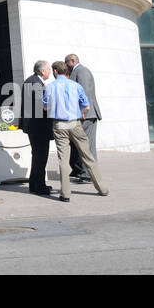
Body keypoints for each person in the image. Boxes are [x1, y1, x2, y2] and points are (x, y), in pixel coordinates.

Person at [43, 61, 108, 200]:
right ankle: (102, 188)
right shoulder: (75, 85)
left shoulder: (50, 87)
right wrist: (80, 111)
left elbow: (45, 107)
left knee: (63, 159)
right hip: (75, 123)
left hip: (59, 125)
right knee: (87, 155)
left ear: (55, 71)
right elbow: (86, 106)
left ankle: (65, 194)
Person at [18, 60, 54, 195]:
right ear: (42, 71)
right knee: (40, 156)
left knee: (37, 156)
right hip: (38, 127)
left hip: (34, 126)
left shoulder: (31, 81)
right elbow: (41, 105)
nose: (50, 72)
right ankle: (39, 186)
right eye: (49, 69)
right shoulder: (35, 83)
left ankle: (35, 184)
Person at [65, 53, 102, 183]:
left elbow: (84, 91)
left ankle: (88, 174)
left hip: (87, 114)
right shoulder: (78, 71)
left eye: (67, 63)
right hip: (85, 114)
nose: (66, 66)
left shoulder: (82, 71)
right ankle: (81, 170)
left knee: (88, 145)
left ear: (73, 61)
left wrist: (82, 111)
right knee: (80, 144)